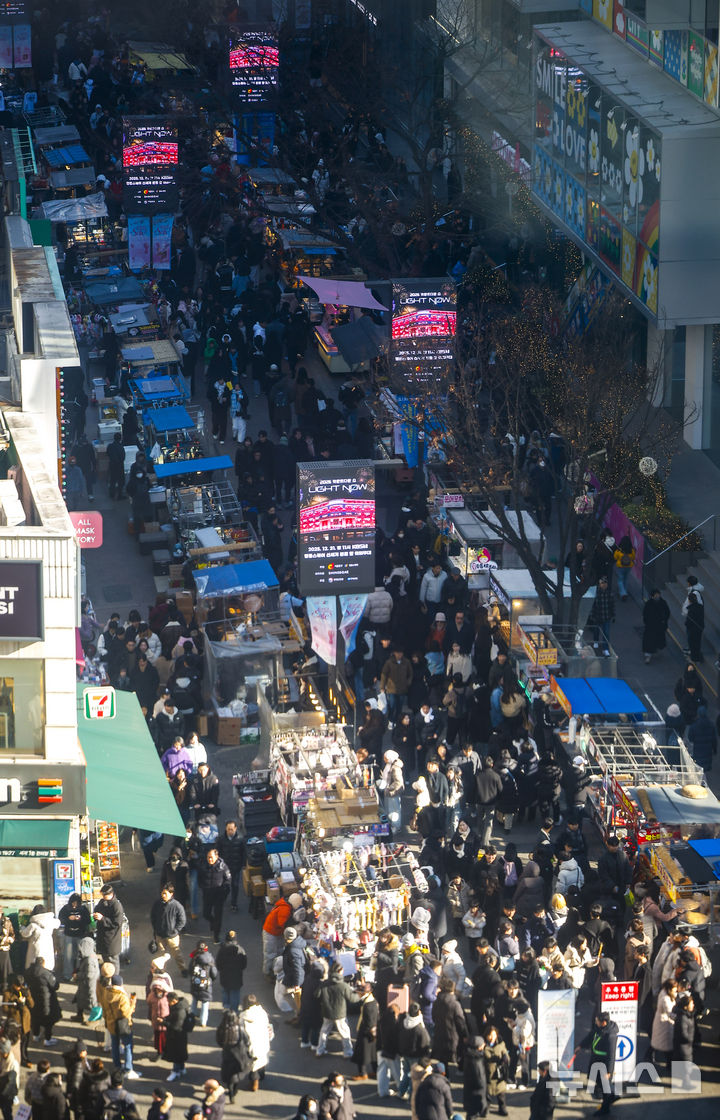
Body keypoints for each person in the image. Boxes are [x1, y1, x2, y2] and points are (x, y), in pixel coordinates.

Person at [574, 1012, 618, 1114]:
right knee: (600, 1083)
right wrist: (580, 1046)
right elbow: (590, 1037)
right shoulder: (598, 1028)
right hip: (596, 1060)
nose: (595, 1022)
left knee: (605, 1087)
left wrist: (609, 1071)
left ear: (603, 1022)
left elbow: (611, 1055)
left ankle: (605, 1108)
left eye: (597, 1021)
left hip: (603, 1064)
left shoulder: (611, 1035)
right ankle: (608, 1098)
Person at [316, 962, 360, 1058]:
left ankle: (319, 1050)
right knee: (344, 1033)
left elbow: (317, 994)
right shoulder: (343, 985)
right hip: (340, 1014)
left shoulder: (324, 983)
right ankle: (347, 1052)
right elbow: (352, 998)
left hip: (327, 1012)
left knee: (324, 1031)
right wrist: (359, 995)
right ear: (340, 971)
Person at [104, 975, 139, 1079]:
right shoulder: (121, 996)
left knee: (115, 1045)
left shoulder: (106, 993)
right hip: (123, 1024)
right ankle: (128, 1069)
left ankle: (117, 1066)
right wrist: (132, 1005)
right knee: (128, 1045)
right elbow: (125, 1013)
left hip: (111, 1023)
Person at [238, 994, 273, 1092]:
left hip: (251, 1044)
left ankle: (254, 1083)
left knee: (253, 1065)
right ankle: (262, 1075)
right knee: (262, 1059)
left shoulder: (243, 1017)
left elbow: (241, 1033)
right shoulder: (262, 1012)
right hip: (263, 1041)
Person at [150, 886, 187, 975]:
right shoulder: (157, 904)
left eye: (165, 893)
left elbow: (182, 920)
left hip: (172, 936)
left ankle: (183, 969)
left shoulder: (177, 906)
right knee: (161, 955)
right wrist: (156, 929)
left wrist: (175, 931)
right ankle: (161, 970)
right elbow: (153, 916)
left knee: (177, 954)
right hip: (160, 935)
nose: (163, 895)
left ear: (171, 894)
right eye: (162, 893)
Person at [199, 848, 231, 944]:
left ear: (216, 857)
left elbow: (228, 880)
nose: (210, 860)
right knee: (206, 914)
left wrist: (224, 893)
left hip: (219, 896)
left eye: (211, 857)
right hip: (207, 894)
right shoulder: (203, 866)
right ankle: (213, 922)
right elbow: (199, 879)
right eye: (208, 857)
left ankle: (216, 935)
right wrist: (203, 887)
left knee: (218, 916)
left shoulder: (223, 867)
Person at [26, 957, 61, 1046]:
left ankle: (35, 1035)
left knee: (35, 1018)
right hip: (46, 1000)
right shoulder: (46, 974)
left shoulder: (28, 971)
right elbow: (55, 986)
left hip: (33, 999)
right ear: (43, 964)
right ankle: (47, 1039)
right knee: (48, 1020)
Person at [58, 894, 91, 981]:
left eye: (76, 903)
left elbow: (88, 920)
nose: (74, 905)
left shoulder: (83, 909)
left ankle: (79, 974)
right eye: (73, 903)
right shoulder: (66, 908)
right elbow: (60, 918)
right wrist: (69, 918)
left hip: (80, 935)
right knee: (68, 956)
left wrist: (80, 919)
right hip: (68, 934)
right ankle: (67, 975)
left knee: (80, 956)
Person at [93, 885, 125, 972]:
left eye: (104, 895)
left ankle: (115, 980)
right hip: (102, 938)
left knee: (113, 962)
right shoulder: (102, 902)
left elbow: (117, 923)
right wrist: (95, 915)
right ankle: (108, 979)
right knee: (106, 962)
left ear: (111, 894)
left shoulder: (116, 906)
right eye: (102, 895)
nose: (103, 897)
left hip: (112, 940)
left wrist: (102, 919)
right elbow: (97, 909)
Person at [3, 973, 33, 1065]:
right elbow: (5, 1009)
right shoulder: (7, 993)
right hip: (15, 1023)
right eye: (18, 986)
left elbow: (32, 1005)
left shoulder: (25, 991)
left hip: (25, 1022)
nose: (19, 988)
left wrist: (27, 996)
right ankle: (18, 1059)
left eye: (21, 986)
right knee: (16, 1043)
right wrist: (14, 1004)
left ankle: (25, 1058)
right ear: (13, 985)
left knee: (25, 1042)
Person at [21, 905, 61, 972]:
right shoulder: (51, 922)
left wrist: (22, 927)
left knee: (35, 966)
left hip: (36, 948)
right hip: (48, 946)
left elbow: (24, 934)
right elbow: (58, 923)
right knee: (47, 966)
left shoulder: (33, 925)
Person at [350, 982, 378, 1081]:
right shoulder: (371, 1001)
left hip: (366, 1033)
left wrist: (364, 1032)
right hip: (373, 1033)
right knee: (373, 1054)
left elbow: (369, 1023)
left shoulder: (368, 1005)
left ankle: (363, 1074)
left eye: (358, 992)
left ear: (362, 993)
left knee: (360, 1055)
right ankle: (376, 1071)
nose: (357, 993)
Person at [163, 990, 192, 1081]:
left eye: (169, 1001)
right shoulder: (180, 1006)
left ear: (174, 1001)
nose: (168, 1003)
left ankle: (175, 1071)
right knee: (180, 1053)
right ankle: (182, 1068)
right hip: (181, 1036)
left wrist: (164, 1022)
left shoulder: (180, 1012)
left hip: (177, 1036)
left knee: (176, 1054)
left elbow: (175, 1026)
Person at [217, 821, 245, 912]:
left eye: (232, 829)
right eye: (228, 829)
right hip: (225, 868)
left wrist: (243, 864)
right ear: (226, 829)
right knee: (225, 886)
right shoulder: (221, 839)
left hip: (236, 867)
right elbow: (218, 853)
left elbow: (244, 853)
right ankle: (223, 899)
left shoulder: (240, 839)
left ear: (235, 829)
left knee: (235, 885)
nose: (230, 831)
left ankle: (234, 904)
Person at [216, 931, 247, 1013]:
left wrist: (222, 970)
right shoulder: (240, 950)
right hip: (236, 976)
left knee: (225, 991)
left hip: (224, 975)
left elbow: (218, 963)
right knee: (235, 993)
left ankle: (226, 1008)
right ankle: (234, 1011)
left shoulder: (222, 949)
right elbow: (244, 965)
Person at [189, 940, 217, 1027]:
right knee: (205, 1002)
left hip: (195, 983)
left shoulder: (194, 957)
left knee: (195, 999)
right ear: (206, 948)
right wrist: (212, 979)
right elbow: (214, 972)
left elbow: (190, 970)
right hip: (206, 984)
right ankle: (203, 1021)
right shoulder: (210, 958)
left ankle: (192, 1016)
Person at [483, 1026, 509, 1116]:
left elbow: (505, 1053)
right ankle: (485, 1108)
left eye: (494, 1035)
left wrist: (505, 1058)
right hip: (488, 1074)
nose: (492, 1037)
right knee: (487, 1095)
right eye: (490, 1035)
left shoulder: (501, 1044)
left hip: (499, 1074)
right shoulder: (483, 1046)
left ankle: (502, 1108)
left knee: (501, 1094)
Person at [74, 938, 100, 1026]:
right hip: (84, 984)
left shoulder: (90, 960)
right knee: (80, 997)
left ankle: (95, 1019)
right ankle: (79, 1015)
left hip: (90, 985)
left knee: (93, 1001)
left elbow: (89, 974)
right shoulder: (88, 956)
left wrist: (78, 975)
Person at [587, 576, 615, 655]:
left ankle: (605, 648)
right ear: (599, 584)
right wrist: (592, 616)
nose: (604, 585)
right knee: (596, 630)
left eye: (605, 583)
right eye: (602, 583)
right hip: (598, 616)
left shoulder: (610, 593)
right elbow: (593, 605)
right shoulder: (596, 593)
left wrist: (613, 615)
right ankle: (596, 640)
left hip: (606, 616)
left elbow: (612, 605)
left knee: (606, 633)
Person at [463, 1035, 488, 1120]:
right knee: (473, 1114)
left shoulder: (468, 1056)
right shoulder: (477, 1060)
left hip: (469, 1091)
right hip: (476, 1094)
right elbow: (480, 1080)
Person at [642, 589, 670, 664]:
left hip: (659, 625)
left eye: (658, 594)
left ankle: (653, 650)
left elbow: (667, 613)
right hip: (651, 625)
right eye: (656, 595)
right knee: (649, 641)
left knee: (655, 639)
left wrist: (664, 621)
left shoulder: (662, 603)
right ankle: (648, 655)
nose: (657, 596)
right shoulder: (649, 604)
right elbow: (645, 614)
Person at [685, 591, 705, 662]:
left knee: (692, 643)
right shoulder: (700, 607)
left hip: (693, 629)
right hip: (699, 628)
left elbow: (689, 621)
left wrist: (686, 624)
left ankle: (694, 657)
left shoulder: (691, 610)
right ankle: (697, 656)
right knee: (697, 642)